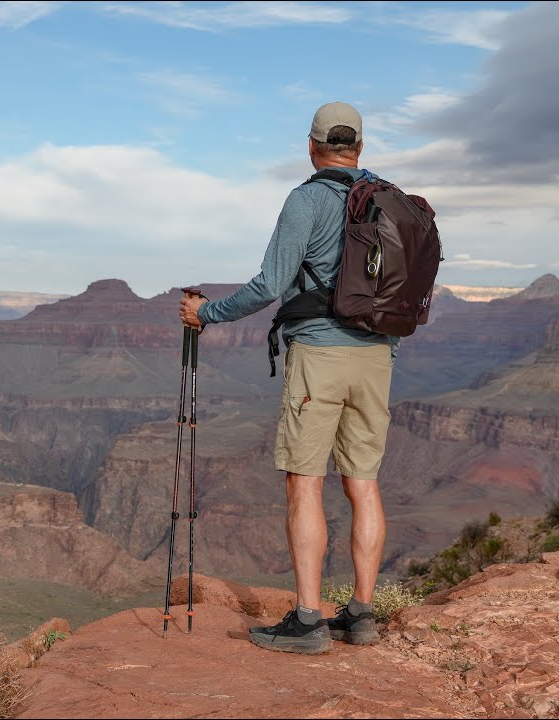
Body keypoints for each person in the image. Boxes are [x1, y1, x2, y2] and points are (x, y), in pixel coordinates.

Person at [178, 102, 395, 655]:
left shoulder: (307, 200)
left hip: (320, 355)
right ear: (361, 148)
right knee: (363, 483)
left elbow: (268, 284)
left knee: (305, 481)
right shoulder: (388, 201)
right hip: (377, 357)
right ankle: (362, 615)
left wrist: (207, 314)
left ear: (312, 145)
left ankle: (308, 620)